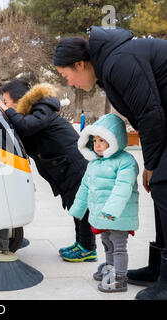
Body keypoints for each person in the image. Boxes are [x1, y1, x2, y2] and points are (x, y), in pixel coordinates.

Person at [53, 26, 167, 300]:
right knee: (162, 190)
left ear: (80, 64)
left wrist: (150, 165)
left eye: (67, 76)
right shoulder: (111, 64)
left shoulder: (118, 61)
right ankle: (158, 270)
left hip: (161, 120)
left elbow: (150, 114)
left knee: (162, 184)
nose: (70, 83)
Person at [0, 79, 97, 261]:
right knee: (74, 205)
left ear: (18, 101)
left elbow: (26, 127)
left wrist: (7, 110)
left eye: (7, 101)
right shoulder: (32, 112)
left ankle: (88, 248)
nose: (5, 104)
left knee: (81, 206)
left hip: (74, 164)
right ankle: (81, 243)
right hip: (64, 165)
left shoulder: (42, 109)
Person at [69, 113, 139, 292]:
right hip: (101, 215)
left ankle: (120, 278)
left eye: (102, 140)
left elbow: (123, 187)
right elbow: (85, 187)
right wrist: (78, 208)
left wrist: (112, 210)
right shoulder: (94, 164)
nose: (97, 145)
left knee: (118, 246)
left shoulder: (125, 162)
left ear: (115, 139)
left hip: (118, 216)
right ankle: (110, 271)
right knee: (107, 243)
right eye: (95, 140)